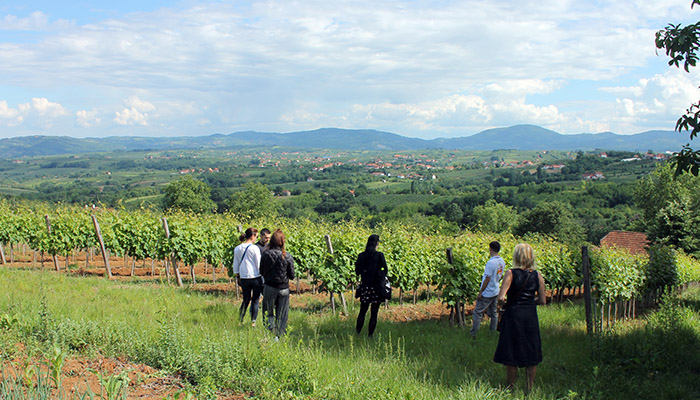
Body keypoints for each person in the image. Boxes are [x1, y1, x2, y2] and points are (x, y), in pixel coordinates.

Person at [493, 243, 546, 394]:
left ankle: (510, 388)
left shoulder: (511, 273)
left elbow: (501, 297)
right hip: (530, 316)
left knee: (512, 350)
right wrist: (529, 303)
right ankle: (528, 388)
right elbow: (542, 301)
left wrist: (506, 303)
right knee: (531, 349)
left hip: (513, 315)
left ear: (516, 256)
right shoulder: (537, 276)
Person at [260, 229, 295, 339]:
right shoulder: (287, 256)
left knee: (268, 311)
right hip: (283, 289)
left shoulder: (266, 254)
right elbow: (292, 275)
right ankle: (279, 336)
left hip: (269, 287)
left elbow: (261, 271)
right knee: (282, 314)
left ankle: (270, 333)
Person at [354, 234, 388, 338]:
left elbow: (357, 271)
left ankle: (357, 333)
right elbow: (385, 270)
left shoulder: (361, 255)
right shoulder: (379, 255)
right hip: (376, 288)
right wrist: (379, 274)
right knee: (374, 313)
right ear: (377, 243)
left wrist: (365, 273)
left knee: (362, 311)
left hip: (365, 287)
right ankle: (370, 336)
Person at [470, 241, 505, 338]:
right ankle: (492, 332)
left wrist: (481, 292)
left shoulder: (491, 262)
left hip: (488, 292)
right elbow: (500, 276)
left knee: (478, 312)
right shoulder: (501, 261)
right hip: (495, 290)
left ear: (490, 249)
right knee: (494, 312)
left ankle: (474, 333)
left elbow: (487, 278)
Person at [232, 228, 263, 327]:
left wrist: (237, 275)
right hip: (255, 276)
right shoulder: (254, 248)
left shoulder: (237, 248)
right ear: (253, 236)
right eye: (256, 236)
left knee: (246, 298)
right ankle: (253, 321)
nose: (256, 238)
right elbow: (258, 264)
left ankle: (240, 318)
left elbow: (235, 264)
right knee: (255, 299)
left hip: (244, 277)